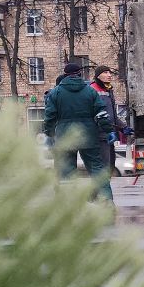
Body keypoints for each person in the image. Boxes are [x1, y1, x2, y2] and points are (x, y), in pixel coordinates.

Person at [42, 61, 115, 200]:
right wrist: (109, 130)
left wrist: (49, 133)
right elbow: (101, 114)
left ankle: (69, 205)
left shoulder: (56, 92)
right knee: (97, 170)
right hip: (89, 136)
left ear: (65, 75)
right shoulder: (90, 91)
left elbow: (49, 116)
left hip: (65, 137)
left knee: (66, 173)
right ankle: (107, 201)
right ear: (79, 74)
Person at [91, 66, 127, 180]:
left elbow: (113, 116)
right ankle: (101, 190)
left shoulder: (108, 90)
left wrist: (123, 127)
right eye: (105, 72)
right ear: (98, 76)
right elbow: (95, 114)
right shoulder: (92, 90)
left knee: (110, 165)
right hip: (99, 135)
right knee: (103, 167)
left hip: (109, 134)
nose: (109, 75)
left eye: (110, 72)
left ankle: (104, 188)